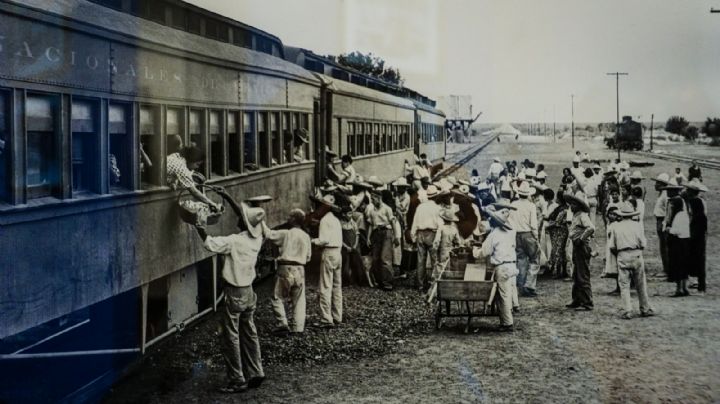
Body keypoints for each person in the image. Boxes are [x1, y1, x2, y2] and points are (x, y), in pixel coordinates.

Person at [194, 194, 266, 393]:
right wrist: (227, 196)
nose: (237, 218)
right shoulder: (257, 238)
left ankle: (237, 379)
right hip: (249, 292)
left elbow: (210, 243)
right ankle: (256, 371)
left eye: (240, 218)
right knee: (250, 332)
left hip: (234, 293)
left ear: (242, 223)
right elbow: (245, 218)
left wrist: (199, 227)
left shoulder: (234, 241)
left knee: (230, 336)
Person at [264, 209, 311, 335]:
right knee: (299, 299)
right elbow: (308, 257)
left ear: (294, 219)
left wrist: (259, 219)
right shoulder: (306, 236)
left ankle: (282, 323)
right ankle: (298, 327)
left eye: (290, 216)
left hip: (285, 267)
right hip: (300, 268)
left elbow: (268, 234)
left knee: (277, 296)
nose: (288, 218)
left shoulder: (286, 233)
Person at [473, 206, 518, 331]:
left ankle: (507, 323)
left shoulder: (494, 235)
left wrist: (474, 251)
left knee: (503, 295)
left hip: (502, 266)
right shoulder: (509, 232)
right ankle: (506, 320)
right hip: (511, 264)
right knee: (507, 293)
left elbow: (485, 251)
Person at [609, 202, 654, 319]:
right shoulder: (637, 225)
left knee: (624, 285)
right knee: (641, 284)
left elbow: (612, 246)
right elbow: (643, 244)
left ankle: (627, 310)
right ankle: (645, 308)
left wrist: (619, 254)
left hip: (622, 254)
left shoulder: (616, 226)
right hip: (636, 254)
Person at [312, 194, 344, 327]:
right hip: (338, 253)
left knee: (325, 286)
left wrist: (312, 241)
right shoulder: (335, 220)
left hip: (329, 252)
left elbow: (323, 240)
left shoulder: (325, 220)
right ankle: (337, 316)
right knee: (337, 286)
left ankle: (326, 318)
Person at [507, 181, 540, 297]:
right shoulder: (531, 206)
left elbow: (510, 221)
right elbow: (534, 224)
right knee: (534, 259)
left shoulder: (513, 204)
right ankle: (529, 285)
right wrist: (536, 237)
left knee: (520, 260)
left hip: (516, 235)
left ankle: (521, 285)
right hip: (528, 234)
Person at [565, 193, 595, 311]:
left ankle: (587, 301)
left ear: (579, 206)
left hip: (582, 246)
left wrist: (581, 238)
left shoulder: (583, 216)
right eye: (571, 204)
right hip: (577, 246)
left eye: (574, 204)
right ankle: (577, 299)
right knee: (576, 274)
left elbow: (591, 228)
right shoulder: (576, 216)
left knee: (582, 274)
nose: (571, 206)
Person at [167, 146, 221, 211]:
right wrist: (211, 203)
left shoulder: (177, 156)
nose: (197, 167)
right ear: (191, 160)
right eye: (197, 164)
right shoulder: (182, 168)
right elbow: (194, 192)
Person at [410, 185, 443, 291]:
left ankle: (420, 284)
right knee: (434, 260)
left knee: (420, 260)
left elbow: (414, 222)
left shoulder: (420, 207)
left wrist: (413, 235)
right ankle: (434, 284)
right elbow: (440, 225)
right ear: (436, 197)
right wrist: (438, 237)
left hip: (420, 233)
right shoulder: (437, 208)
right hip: (432, 233)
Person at [365, 189, 398, 291]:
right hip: (376, 233)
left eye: (373, 198)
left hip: (386, 232)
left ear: (379, 198)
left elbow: (392, 223)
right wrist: (368, 238)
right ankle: (379, 281)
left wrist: (396, 236)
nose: (372, 201)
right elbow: (371, 225)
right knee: (375, 258)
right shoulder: (372, 210)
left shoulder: (387, 209)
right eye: (371, 199)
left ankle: (388, 283)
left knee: (385, 258)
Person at [663, 184, 691, 297]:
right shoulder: (684, 209)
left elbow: (671, 223)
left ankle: (679, 288)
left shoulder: (674, 203)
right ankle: (684, 287)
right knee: (684, 263)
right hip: (685, 238)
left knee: (677, 263)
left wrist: (668, 229)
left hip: (677, 238)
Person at [684, 179, 708, 295]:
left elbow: (698, 219)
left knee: (698, 258)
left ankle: (701, 285)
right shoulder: (699, 201)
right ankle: (699, 283)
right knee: (697, 258)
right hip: (698, 233)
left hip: (696, 234)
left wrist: (693, 234)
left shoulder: (695, 202)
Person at [432, 209, 464, 285]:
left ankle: (439, 285)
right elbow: (458, 242)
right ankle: (448, 284)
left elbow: (436, 241)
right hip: (451, 250)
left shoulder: (441, 228)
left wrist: (434, 251)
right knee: (449, 268)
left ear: (443, 219)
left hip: (443, 250)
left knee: (441, 267)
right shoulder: (454, 229)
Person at [651, 173, 671, 278]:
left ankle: (667, 269)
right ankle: (666, 268)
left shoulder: (665, 195)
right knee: (663, 246)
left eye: (657, 183)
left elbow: (668, 211)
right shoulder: (661, 194)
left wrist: (665, 223)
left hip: (662, 220)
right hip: (659, 220)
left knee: (664, 246)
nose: (655, 185)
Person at [547, 190, 570, 279]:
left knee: (558, 251)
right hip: (562, 231)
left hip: (559, 232)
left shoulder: (562, 209)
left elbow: (557, 222)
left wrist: (548, 226)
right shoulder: (564, 208)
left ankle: (558, 271)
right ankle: (562, 271)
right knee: (561, 251)